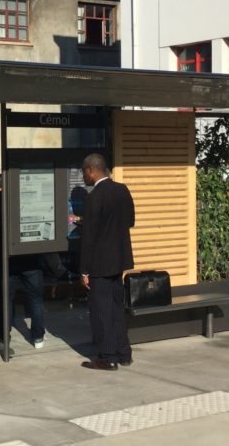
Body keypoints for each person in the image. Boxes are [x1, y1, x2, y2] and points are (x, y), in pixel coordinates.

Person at [79, 153, 135, 371]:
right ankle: (124, 353)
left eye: (84, 171)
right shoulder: (122, 190)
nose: (84, 176)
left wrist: (84, 270)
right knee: (116, 307)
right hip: (119, 259)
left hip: (100, 263)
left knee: (101, 310)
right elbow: (130, 220)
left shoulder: (94, 197)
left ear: (92, 170)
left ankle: (108, 357)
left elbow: (89, 238)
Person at [0, 174, 46, 352]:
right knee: (35, 298)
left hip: (6, 258)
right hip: (30, 257)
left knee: (6, 299)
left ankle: (3, 336)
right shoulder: (29, 200)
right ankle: (37, 337)